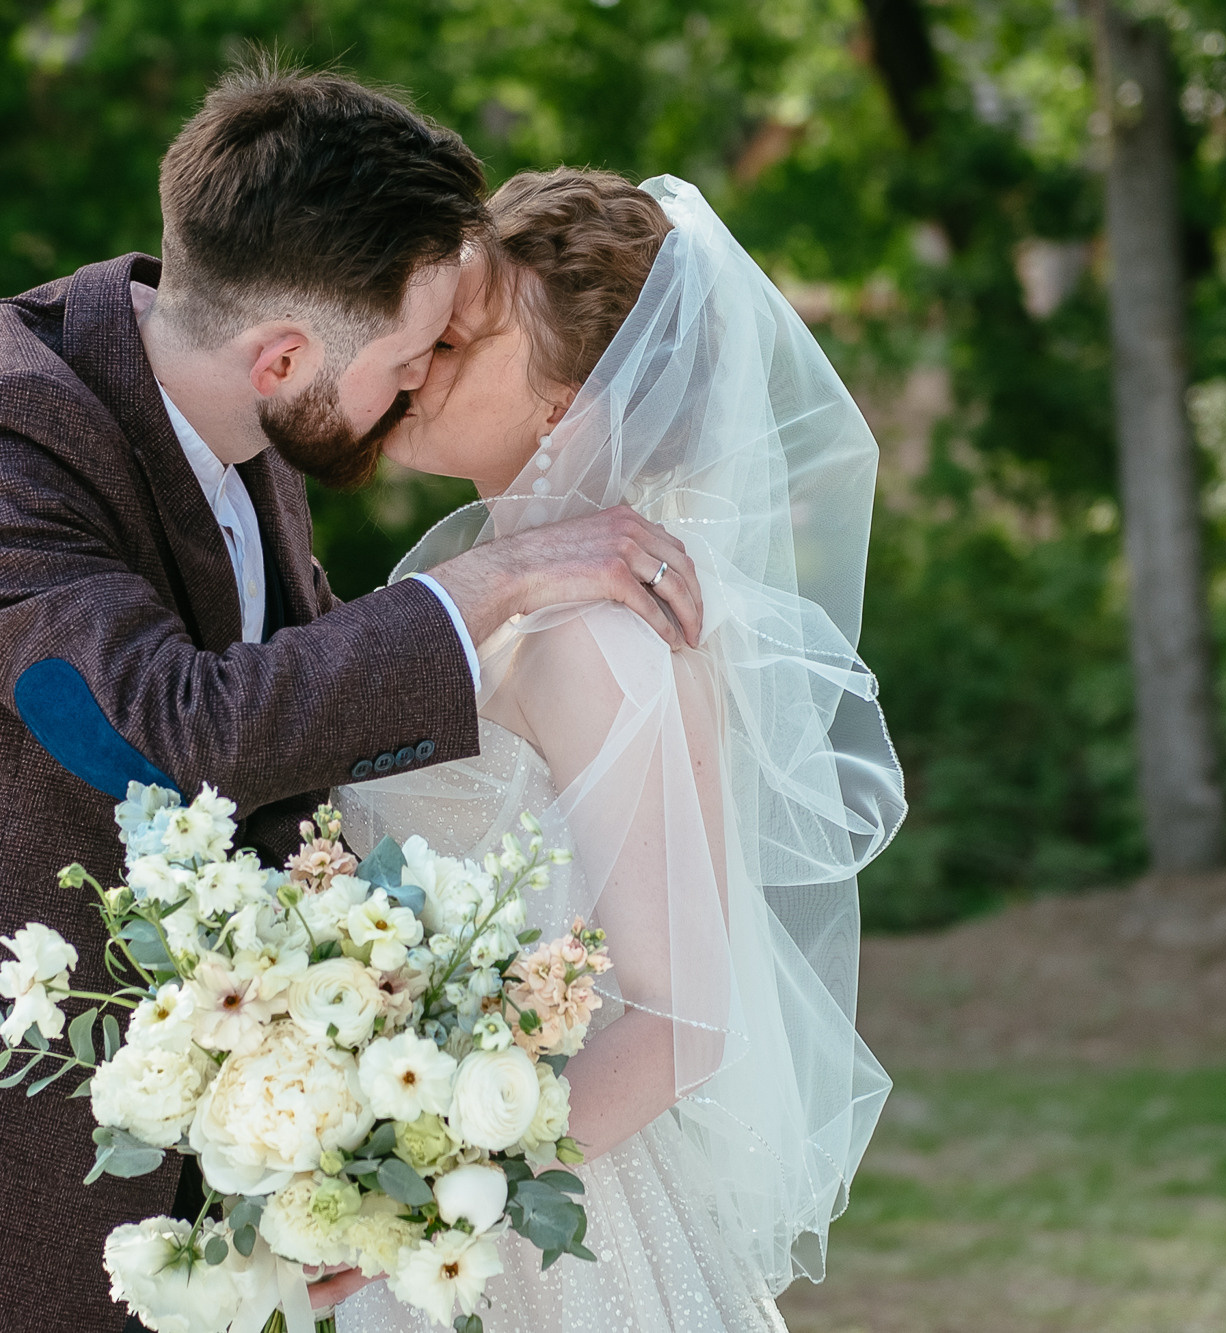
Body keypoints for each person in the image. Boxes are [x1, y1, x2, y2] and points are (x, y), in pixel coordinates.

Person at [0, 73, 705, 1333]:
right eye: (409, 357)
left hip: (187, 1203)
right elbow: (157, 733)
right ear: (285, 355)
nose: (415, 387)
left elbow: (292, 746)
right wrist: (497, 578)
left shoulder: (245, 414)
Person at [325, 170, 906, 1331]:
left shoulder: (598, 640)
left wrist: (444, 1207)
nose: (420, 357)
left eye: (461, 338)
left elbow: (685, 1019)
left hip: (536, 1234)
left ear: (571, 406)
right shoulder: (489, 606)